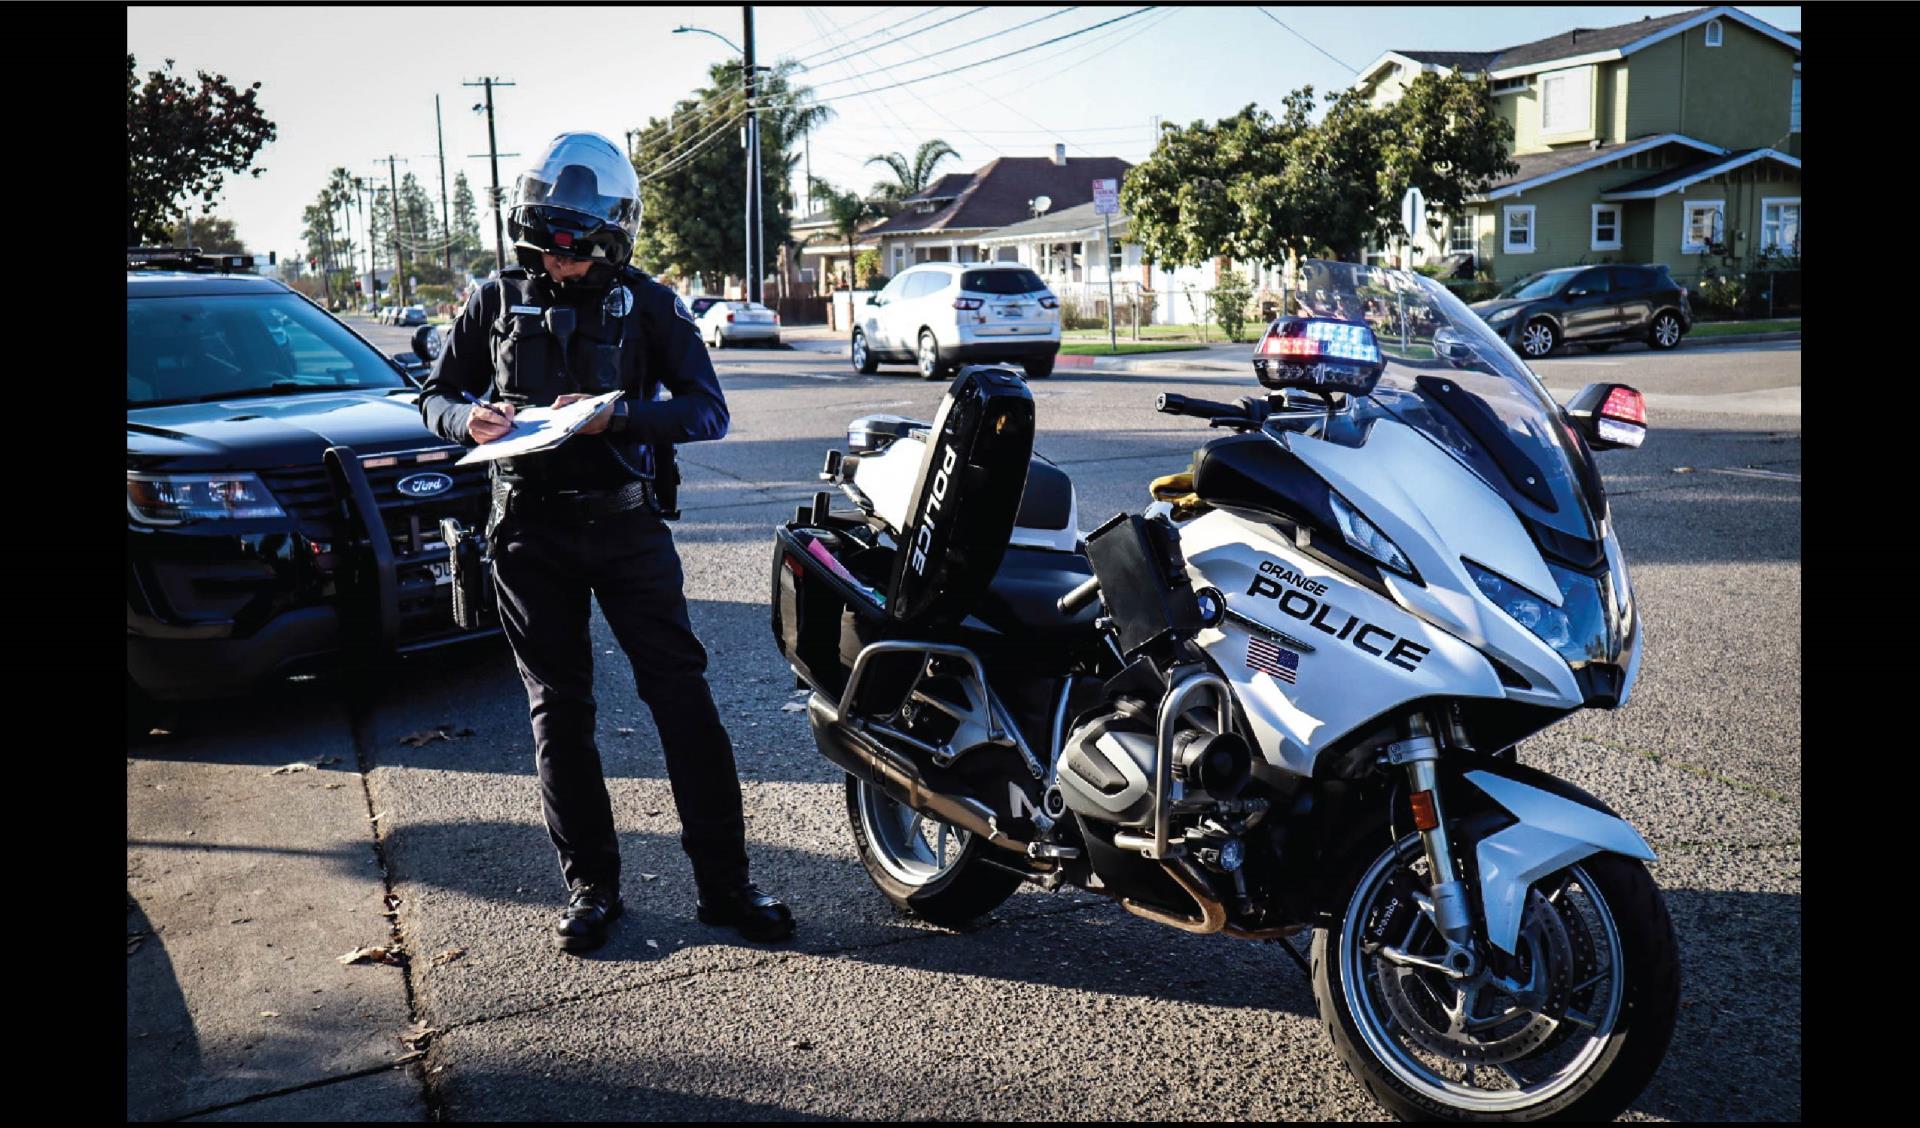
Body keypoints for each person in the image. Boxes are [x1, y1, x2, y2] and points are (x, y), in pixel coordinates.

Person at [418, 131, 793, 952]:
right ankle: (591, 889)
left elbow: (707, 410)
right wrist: (462, 418)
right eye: (547, 256)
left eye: (577, 257)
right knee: (560, 714)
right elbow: (437, 394)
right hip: (527, 535)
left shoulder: (652, 304)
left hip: (626, 526)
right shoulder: (493, 299)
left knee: (683, 704)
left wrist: (617, 414)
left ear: (613, 241)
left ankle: (728, 887)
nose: (560, 270)